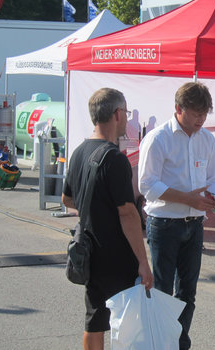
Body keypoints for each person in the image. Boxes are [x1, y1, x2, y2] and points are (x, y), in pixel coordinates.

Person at [138, 82, 215, 350]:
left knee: (187, 293)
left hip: (194, 224)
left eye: (204, 115)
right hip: (165, 224)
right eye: (195, 114)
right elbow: (147, 185)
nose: (200, 120)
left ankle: (179, 344)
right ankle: (159, 343)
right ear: (179, 109)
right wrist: (188, 198)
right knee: (162, 292)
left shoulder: (205, 139)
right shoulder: (158, 138)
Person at [62, 88, 153, 350]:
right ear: (116, 114)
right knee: (127, 326)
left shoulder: (79, 152)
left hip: (89, 251)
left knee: (94, 322)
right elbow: (127, 214)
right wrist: (143, 262)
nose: (126, 118)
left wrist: (94, 210)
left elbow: (67, 200)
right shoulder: (114, 159)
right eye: (125, 112)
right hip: (117, 256)